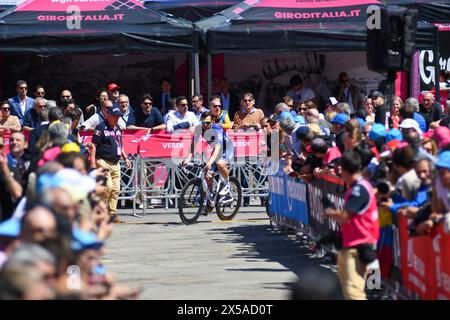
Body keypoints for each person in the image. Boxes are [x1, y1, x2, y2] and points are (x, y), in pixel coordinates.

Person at [324, 151, 379, 300]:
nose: (338, 173)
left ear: (345, 170)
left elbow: (345, 216)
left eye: (339, 170)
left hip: (359, 245)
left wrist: (329, 212)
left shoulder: (358, 189)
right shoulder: (361, 186)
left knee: (353, 292)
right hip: (355, 243)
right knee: (350, 290)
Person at [182, 111, 234, 210]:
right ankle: (211, 199)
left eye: (208, 123)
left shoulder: (217, 129)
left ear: (212, 122)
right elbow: (193, 145)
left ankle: (227, 185)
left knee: (220, 164)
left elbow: (218, 149)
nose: (206, 125)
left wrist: (210, 162)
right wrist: (187, 159)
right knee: (207, 175)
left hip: (227, 149)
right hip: (216, 151)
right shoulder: (199, 128)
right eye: (204, 122)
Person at [89, 106, 131, 222]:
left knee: (116, 189)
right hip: (103, 161)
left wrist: (125, 157)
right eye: (114, 116)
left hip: (116, 163)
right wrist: (93, 162)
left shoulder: (117, 128)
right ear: (108, 115)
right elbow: (93, 145)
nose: (117, 118)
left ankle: (112, 214)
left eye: (118, 116)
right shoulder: (100, 127)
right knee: (108, 187)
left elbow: (120, 145)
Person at [0, 136, 23, 221]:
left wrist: (5, 168)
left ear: (3, 149)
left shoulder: (11, 169)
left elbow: (17, 193)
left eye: (0, 146)